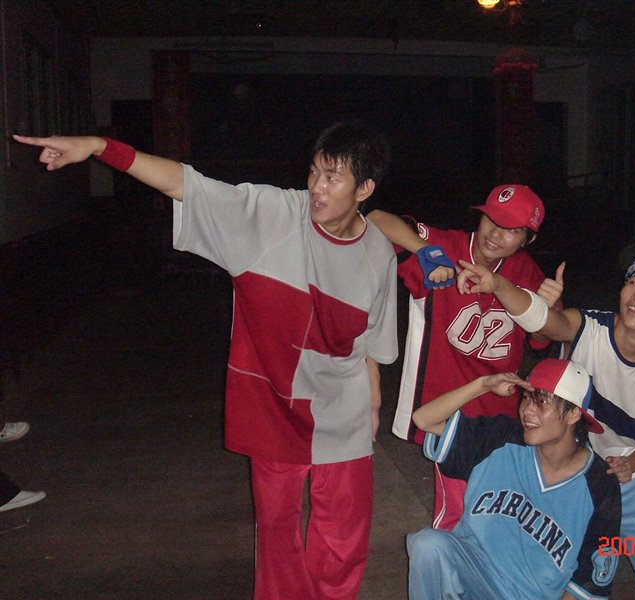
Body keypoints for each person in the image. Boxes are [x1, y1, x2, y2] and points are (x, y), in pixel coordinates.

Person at [14, 121, 398, 600]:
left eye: (333, 178)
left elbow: (372, 343)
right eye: (314, 172)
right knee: (276, 532)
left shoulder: (377, 253)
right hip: (275, 407)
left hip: (343, 409)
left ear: (364, 189)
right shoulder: (271, 216)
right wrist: (98, 147)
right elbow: (184, 183)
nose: (317, 187)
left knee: (344, 536)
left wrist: (373, 402)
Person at [457, 252, 635, 599]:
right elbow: (545, 321)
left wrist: (630, 464)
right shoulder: (587, 326)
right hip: (564, 462)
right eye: (634, 283)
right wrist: (498, 284)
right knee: (523, 549)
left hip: (629, 474)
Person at [367, 184, 552, 530]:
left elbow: (541, 341)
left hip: (499, 413)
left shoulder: (527, 273)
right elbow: (376, 219)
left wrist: (547, 310)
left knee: (495, 514)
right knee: (456, 516)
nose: (495, 233)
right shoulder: (448, 247)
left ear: (528, 239)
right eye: (491, 219)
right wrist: (427, 253)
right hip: (444, 410)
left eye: (511, 229)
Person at [407, 358, 621, 600]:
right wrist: (484, 385)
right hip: (474, 575)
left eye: (541, 402)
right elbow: (424, 419)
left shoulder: (600, 484)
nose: (527, 410)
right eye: (527, 397)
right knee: (429, 546)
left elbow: (589, 582)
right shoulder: (501, 439)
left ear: (573, 414)